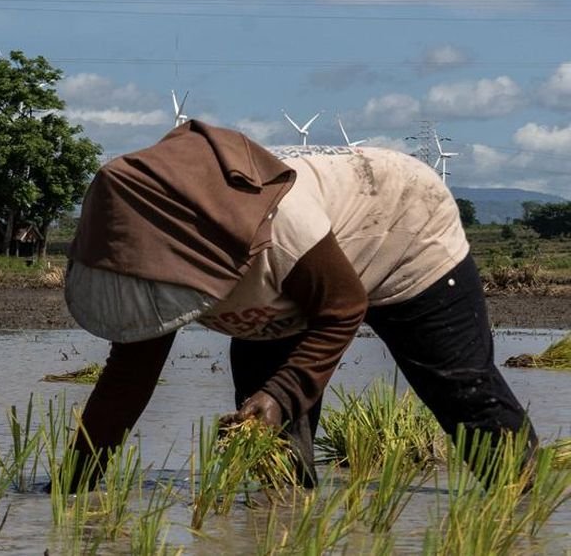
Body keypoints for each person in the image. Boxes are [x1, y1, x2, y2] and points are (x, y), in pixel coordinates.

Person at [63, 120, 537, 487]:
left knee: (459, 388)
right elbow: (127, 379)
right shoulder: (152, 253)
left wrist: (283, 393)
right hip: (281, 296)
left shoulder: (282, 225)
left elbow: (343, 307)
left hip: (399, 226)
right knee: (264, 435)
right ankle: (284, 523)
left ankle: (526, 502)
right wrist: (71, 487)